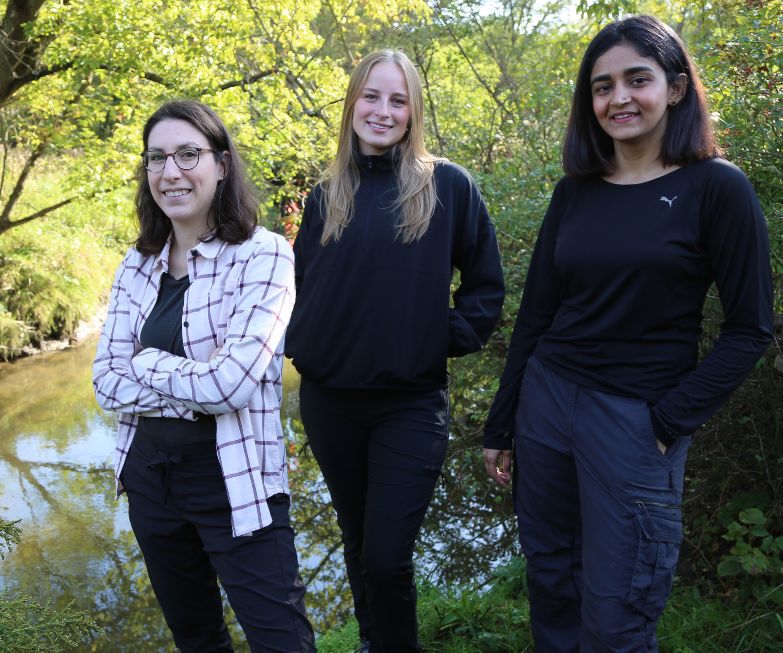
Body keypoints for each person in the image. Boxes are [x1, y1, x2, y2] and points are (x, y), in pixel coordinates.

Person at [482, 15, 774, 653]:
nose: (618, 98)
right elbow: (535, 316)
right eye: (601, 86)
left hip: (636, 420)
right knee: (553, 585)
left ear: (674, 89)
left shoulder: (717, 188)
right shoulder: (576, 193)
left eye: (636, 80)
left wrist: (669, 421)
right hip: (547, 403)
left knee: (620, 613)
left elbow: (751, 330)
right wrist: (502, 425)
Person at [285, 50, 506, 653]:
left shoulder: (447, 186)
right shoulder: (326, 193)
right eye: (371, 96)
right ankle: (370, 642)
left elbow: (487, 288)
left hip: (409, 405)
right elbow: (299, 286)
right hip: (331, 401)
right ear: (353, 103)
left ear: (413, 113)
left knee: (386, 557)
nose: (382, 111)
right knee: (356, 543)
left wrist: (440, 337)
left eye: (397, 100)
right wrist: (302, 340)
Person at [91, 100, 315, 653]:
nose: (171, 172)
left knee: (282, 642)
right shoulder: (137, 262)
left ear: (220, 163)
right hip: (150, 480)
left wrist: (145, 362)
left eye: (188, 154)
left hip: (236, 478)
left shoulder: (263, 257)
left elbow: (230, 387)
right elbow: (104, 382)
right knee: (197, 640)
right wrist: (191, 377)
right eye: (157, 158)